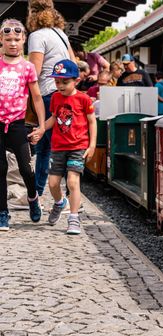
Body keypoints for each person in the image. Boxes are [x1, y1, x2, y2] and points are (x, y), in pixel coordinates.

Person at [27, 0, 76, 198]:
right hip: (62, 94)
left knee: (51, 146)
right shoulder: (61, 34)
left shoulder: (37, 36)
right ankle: (37, 192)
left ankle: (68, 196)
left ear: (32, 12)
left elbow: (34, 72)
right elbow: (73, 63)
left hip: (47, 94)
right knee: (47, 146)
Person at [0, 19, 46, 230]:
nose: (13, 43)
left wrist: (42, 125)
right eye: (8, 39)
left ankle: (32, 197)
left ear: (24, 40)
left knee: (26, 170)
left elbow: (36, 98)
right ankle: (2, 212)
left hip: (18, 125)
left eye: (17, 39)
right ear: (1, 40)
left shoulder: (27, 67)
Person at [44, 59, 96, 235]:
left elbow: (92, 122)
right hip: (58, 147)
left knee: (73, 182)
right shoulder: (55, 98)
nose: (60, 86)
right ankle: (59, 203)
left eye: (65, 82)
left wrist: (92, 145)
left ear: (76, 80)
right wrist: (41, 129)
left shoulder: (84, 99)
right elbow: (53, 118)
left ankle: (73, 218)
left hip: (77, 146)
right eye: (57, 81)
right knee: (52, 184)